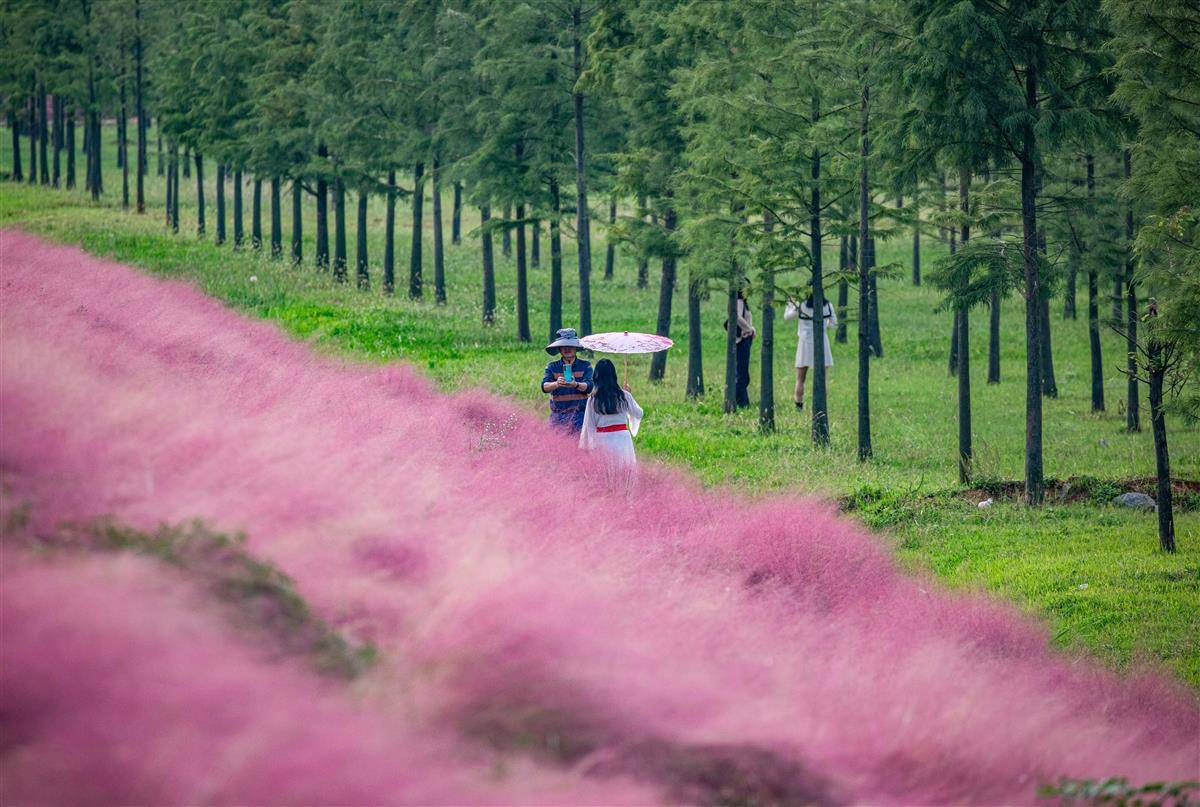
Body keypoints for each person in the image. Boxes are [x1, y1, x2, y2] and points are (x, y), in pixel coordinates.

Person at [579, 358, 643, 466]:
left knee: (606, 474)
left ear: (596, 377)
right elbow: (638, 413)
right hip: (623, 439)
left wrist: (587, 447)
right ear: (614, 375)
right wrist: (629, 396)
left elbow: (588, 425)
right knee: (624, 471)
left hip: (603, 440)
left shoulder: (593, 400)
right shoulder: (624, 396)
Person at [784, 293, 836, 410]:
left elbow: (787, 317)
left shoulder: (801, 305)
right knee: (823, 378)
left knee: (800, 378)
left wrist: (790, 304)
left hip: (804, 343)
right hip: (822, 342)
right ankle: (821, 406)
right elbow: (834, 324)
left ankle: (798, 405)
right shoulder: (827, 305)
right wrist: (824, 325)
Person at [541, 328, 594, 432]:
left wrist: (576, 384)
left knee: (580, 447)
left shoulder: (585, 365)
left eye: (570, 346)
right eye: (564, 346)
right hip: (558, 416)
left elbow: (589, 386)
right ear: (559, 349)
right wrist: (556, 383)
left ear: (576, 348)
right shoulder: (552, 366)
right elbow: (544, 386)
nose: (567, 349)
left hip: (580, 416)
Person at [733, 288, 756, 408]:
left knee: (742, 372)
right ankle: (741, 402)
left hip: (745, 338)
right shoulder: (739, 301)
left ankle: (742, 401)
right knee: (742, 373)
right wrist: (749, 329)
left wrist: (751, 328)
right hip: (742, 340)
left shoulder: (742, 302)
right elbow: (736, 316)